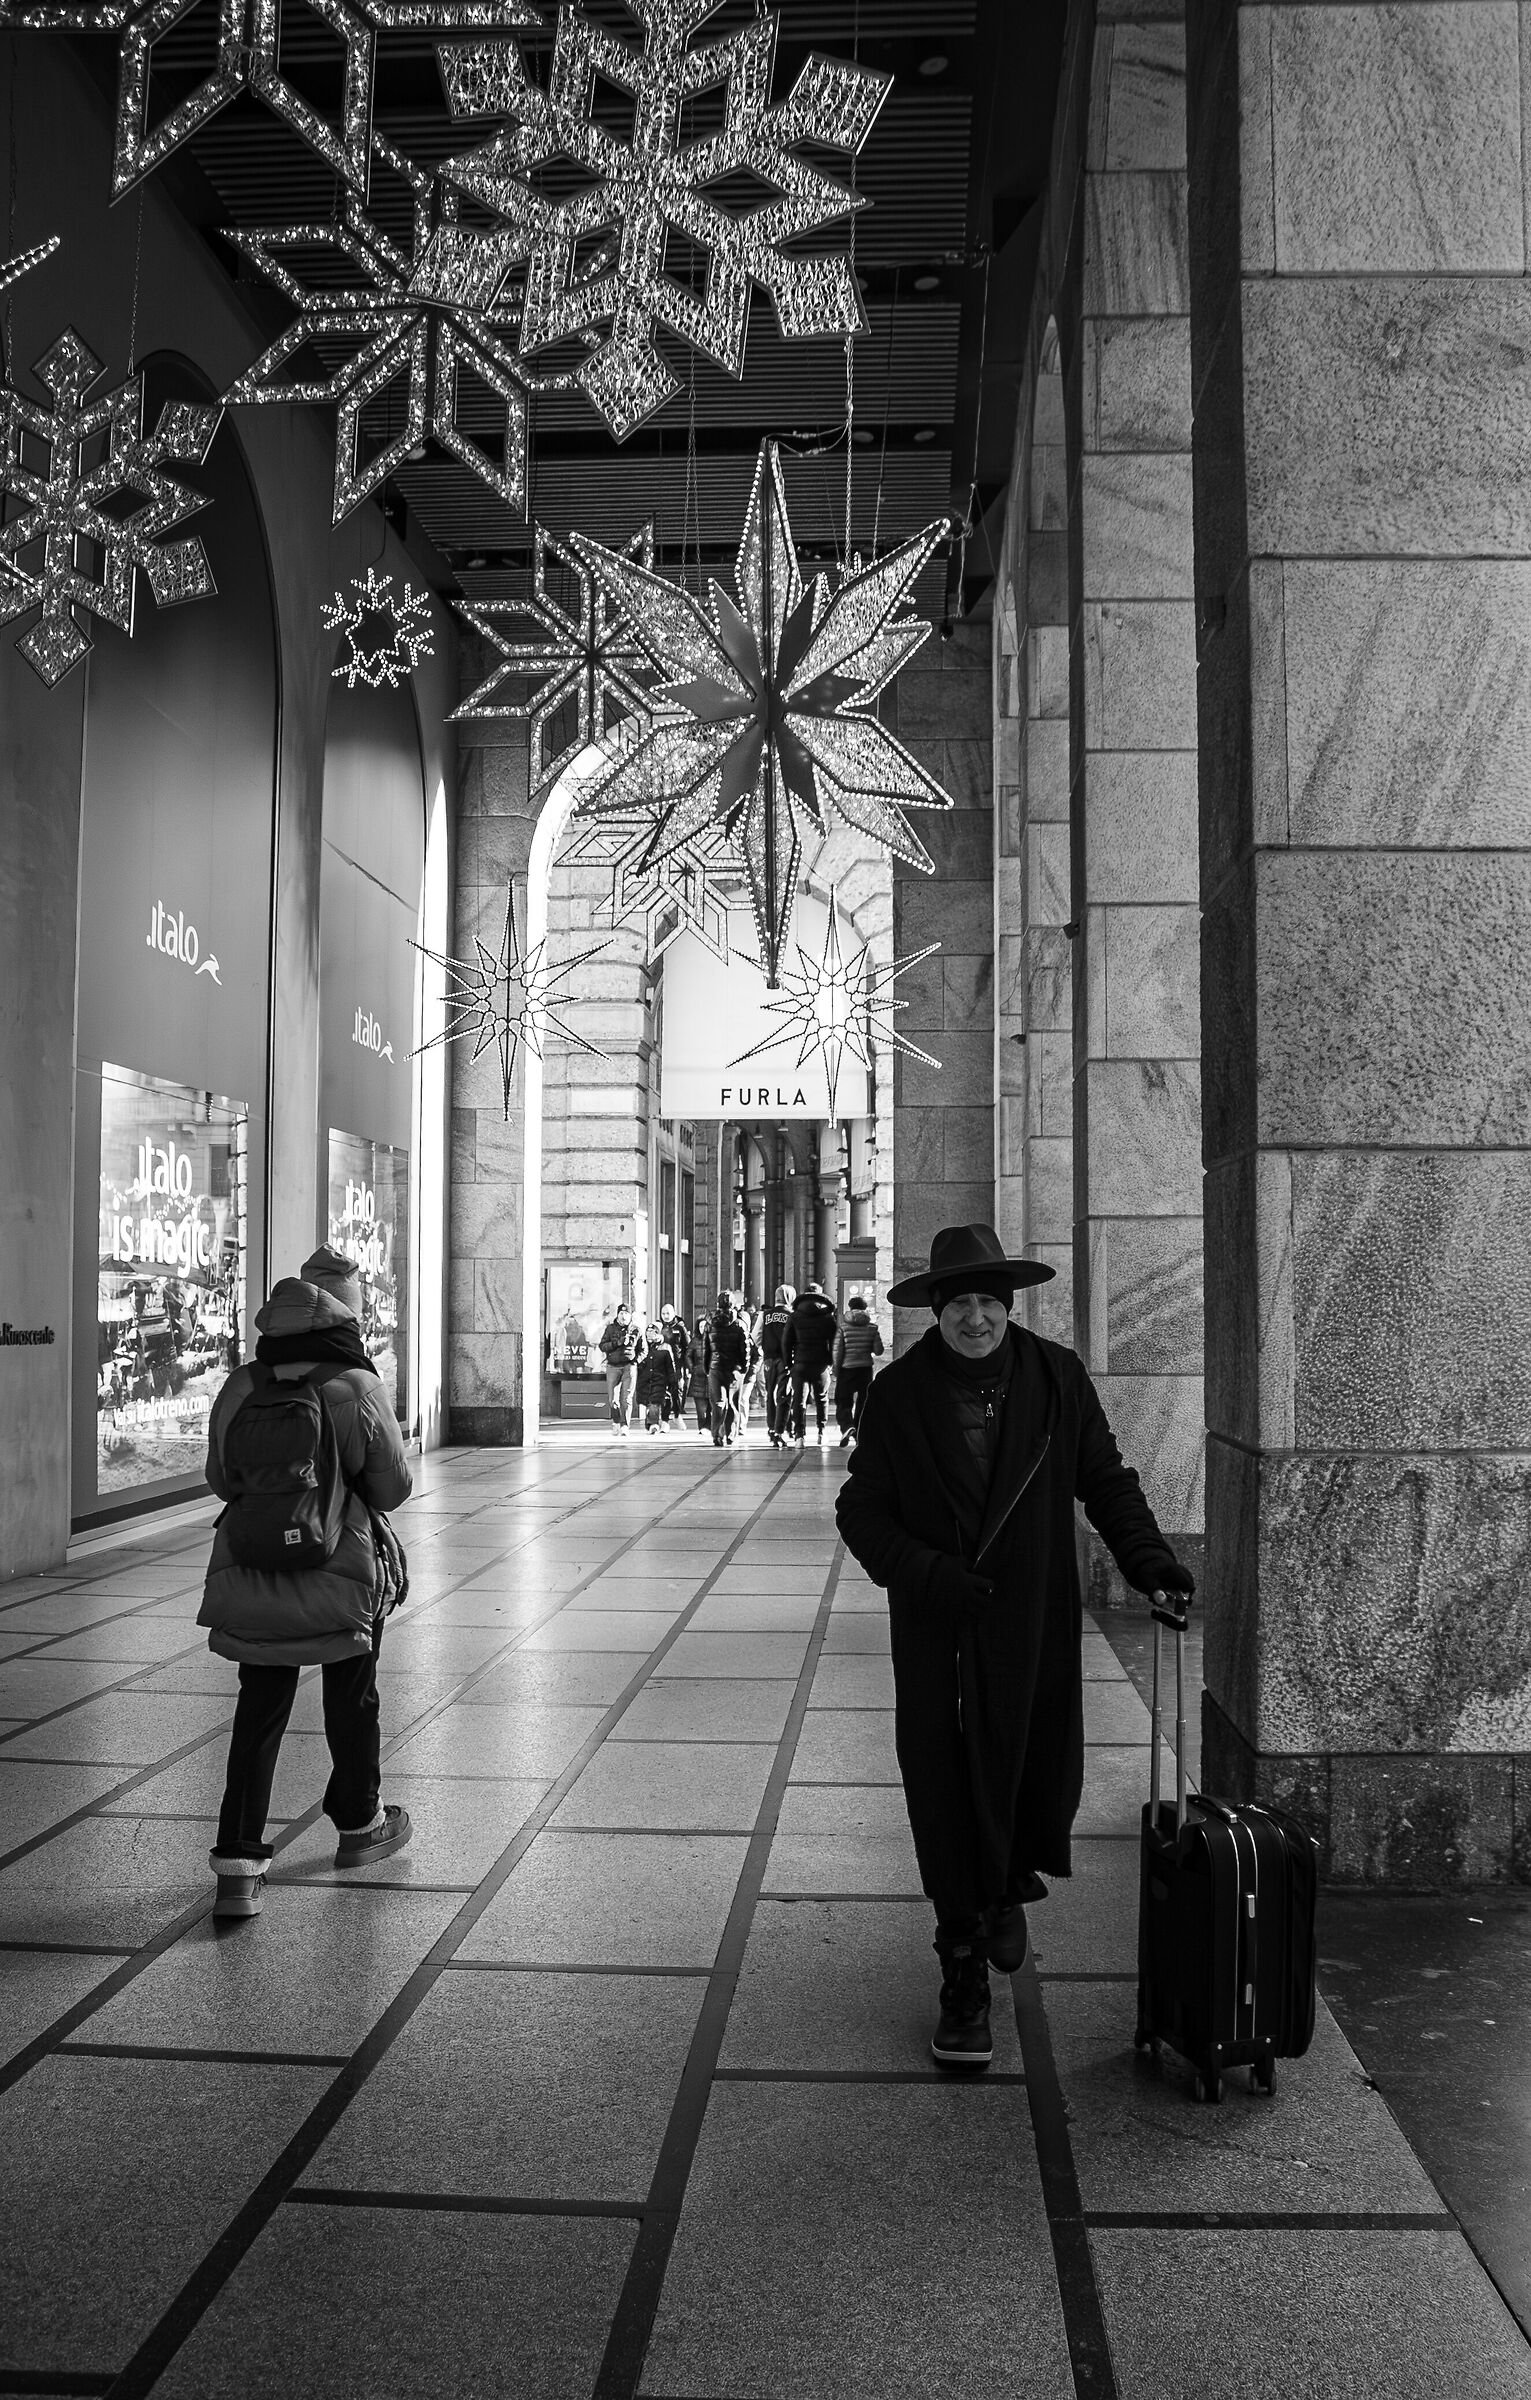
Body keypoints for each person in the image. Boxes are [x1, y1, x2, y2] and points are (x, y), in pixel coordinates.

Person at [834, 1223, 1195, 2071]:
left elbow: (1103, 1478)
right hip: (939, 1629)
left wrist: (1147, 1561)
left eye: (987, 1302)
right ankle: (961, 1969)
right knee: (945, 1787)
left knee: (1034, 1776)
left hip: (1029, 1622)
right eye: (957, 1302)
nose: (973, 1318)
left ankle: (1000, 1888)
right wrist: (924, 1573)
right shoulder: (899, 1395)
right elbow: (861, 1511)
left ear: (1007, 1305)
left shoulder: (1054, 1377)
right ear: (935, 1311)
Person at [197, 1247, 414, 1922]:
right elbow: (392, 1486)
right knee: (352, 1694)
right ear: (348, 1311)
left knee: (259, 1703)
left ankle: (238, 1863)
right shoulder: (353, 1382)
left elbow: (219, 1478)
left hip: (254, 1561)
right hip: (339, 1567)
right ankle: (358, 1824)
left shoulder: (242, 1382)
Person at [785, 1279, 838, 1444]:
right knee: (821, 1397)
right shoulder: (827, 1318)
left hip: (800, 1363)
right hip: (820, 1363)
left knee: (799, 1400)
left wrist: (789, 1363)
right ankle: (821, 1433)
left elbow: (787, 1342)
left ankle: (800, 1436)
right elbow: (834, 1342)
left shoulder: (795, 1316)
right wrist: (830, 1361)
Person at [832, 1293, 884, 1445]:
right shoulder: (872, 1328)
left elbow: (837, 1351)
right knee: (863, 1400)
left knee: (843, 1400)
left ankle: (847, 1426)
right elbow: (878, 1350)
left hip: (847, 1369)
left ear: (850, 1307)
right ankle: (859, 1430)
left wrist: (836, 1369)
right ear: (865, 1308)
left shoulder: (843, 1328)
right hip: (865, 1369)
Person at [707, 1290, 749, 1446]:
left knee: (718, 1402)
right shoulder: (740, 1325)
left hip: (715, 1367)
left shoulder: (711, 1324)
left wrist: (707, 1367)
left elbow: (706, 1349)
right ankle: (730, 1434)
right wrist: (744, 1368)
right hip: (734, 1369)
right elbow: (745, 1350)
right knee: (732, 1402)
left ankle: (717, 1434)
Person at [598, 1302, 646, 1435]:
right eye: (621, 1313)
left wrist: (635, 1362)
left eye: (626, 1313)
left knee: (627, 1398)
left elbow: (644, 1350)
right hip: (613, 1366)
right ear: (618, 1315)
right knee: (613, 1399)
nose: (624, 1316)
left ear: (631, 1316)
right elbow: (602, 1346)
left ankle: (625, 1425)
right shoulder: (610, 1329)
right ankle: (616, 1421)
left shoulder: (636, 1330)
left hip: (628, 1367)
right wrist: (616, 1343)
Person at [758, 1284, 795, 1447]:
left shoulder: (765, 1314)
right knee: (784, 1395)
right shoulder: (791, 1315)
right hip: (785, 1360)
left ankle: (771, 1427)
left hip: (768, 1359)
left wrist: (763, 1348)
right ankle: (780, 1430)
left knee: (769, 1394)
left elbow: (755, 1335)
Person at [635, 1323, 680, 1433]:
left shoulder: (665, 1348)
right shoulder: (642, 1347)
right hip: (644, 1381)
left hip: (660, 1381)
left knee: (655, 1401)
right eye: (648, 1332)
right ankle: (651, 1423)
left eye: (653, 1332)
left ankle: (654, 1424)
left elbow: (670, 1367)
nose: (649, 1334)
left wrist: (672, 1381)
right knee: (648, 1403)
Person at [658, 1302, 689, 1425]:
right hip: (661, 1364)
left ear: (674, 1313)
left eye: (668, 1313)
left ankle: (677, 1414)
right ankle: (664, 1420)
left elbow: (687, 1348)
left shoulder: (680, 1328)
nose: (665, 1316)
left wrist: (687, 1367)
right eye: (663, 1313)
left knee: (676, 1391)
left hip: (677, 1364)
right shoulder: (659, 1327)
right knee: (663, 1392)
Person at [685, 1319, 712, 1435]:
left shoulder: (713, 1340)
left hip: (712, 1377)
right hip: (698, 1378)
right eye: (700, 1326)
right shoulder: (694, 1341)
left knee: (712, 1406)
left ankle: (710, 1426)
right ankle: (702, 1427)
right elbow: (688, 1356)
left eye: (705, 1326)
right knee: (701, 1408)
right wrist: (693, 1369)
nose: (703, 1328)